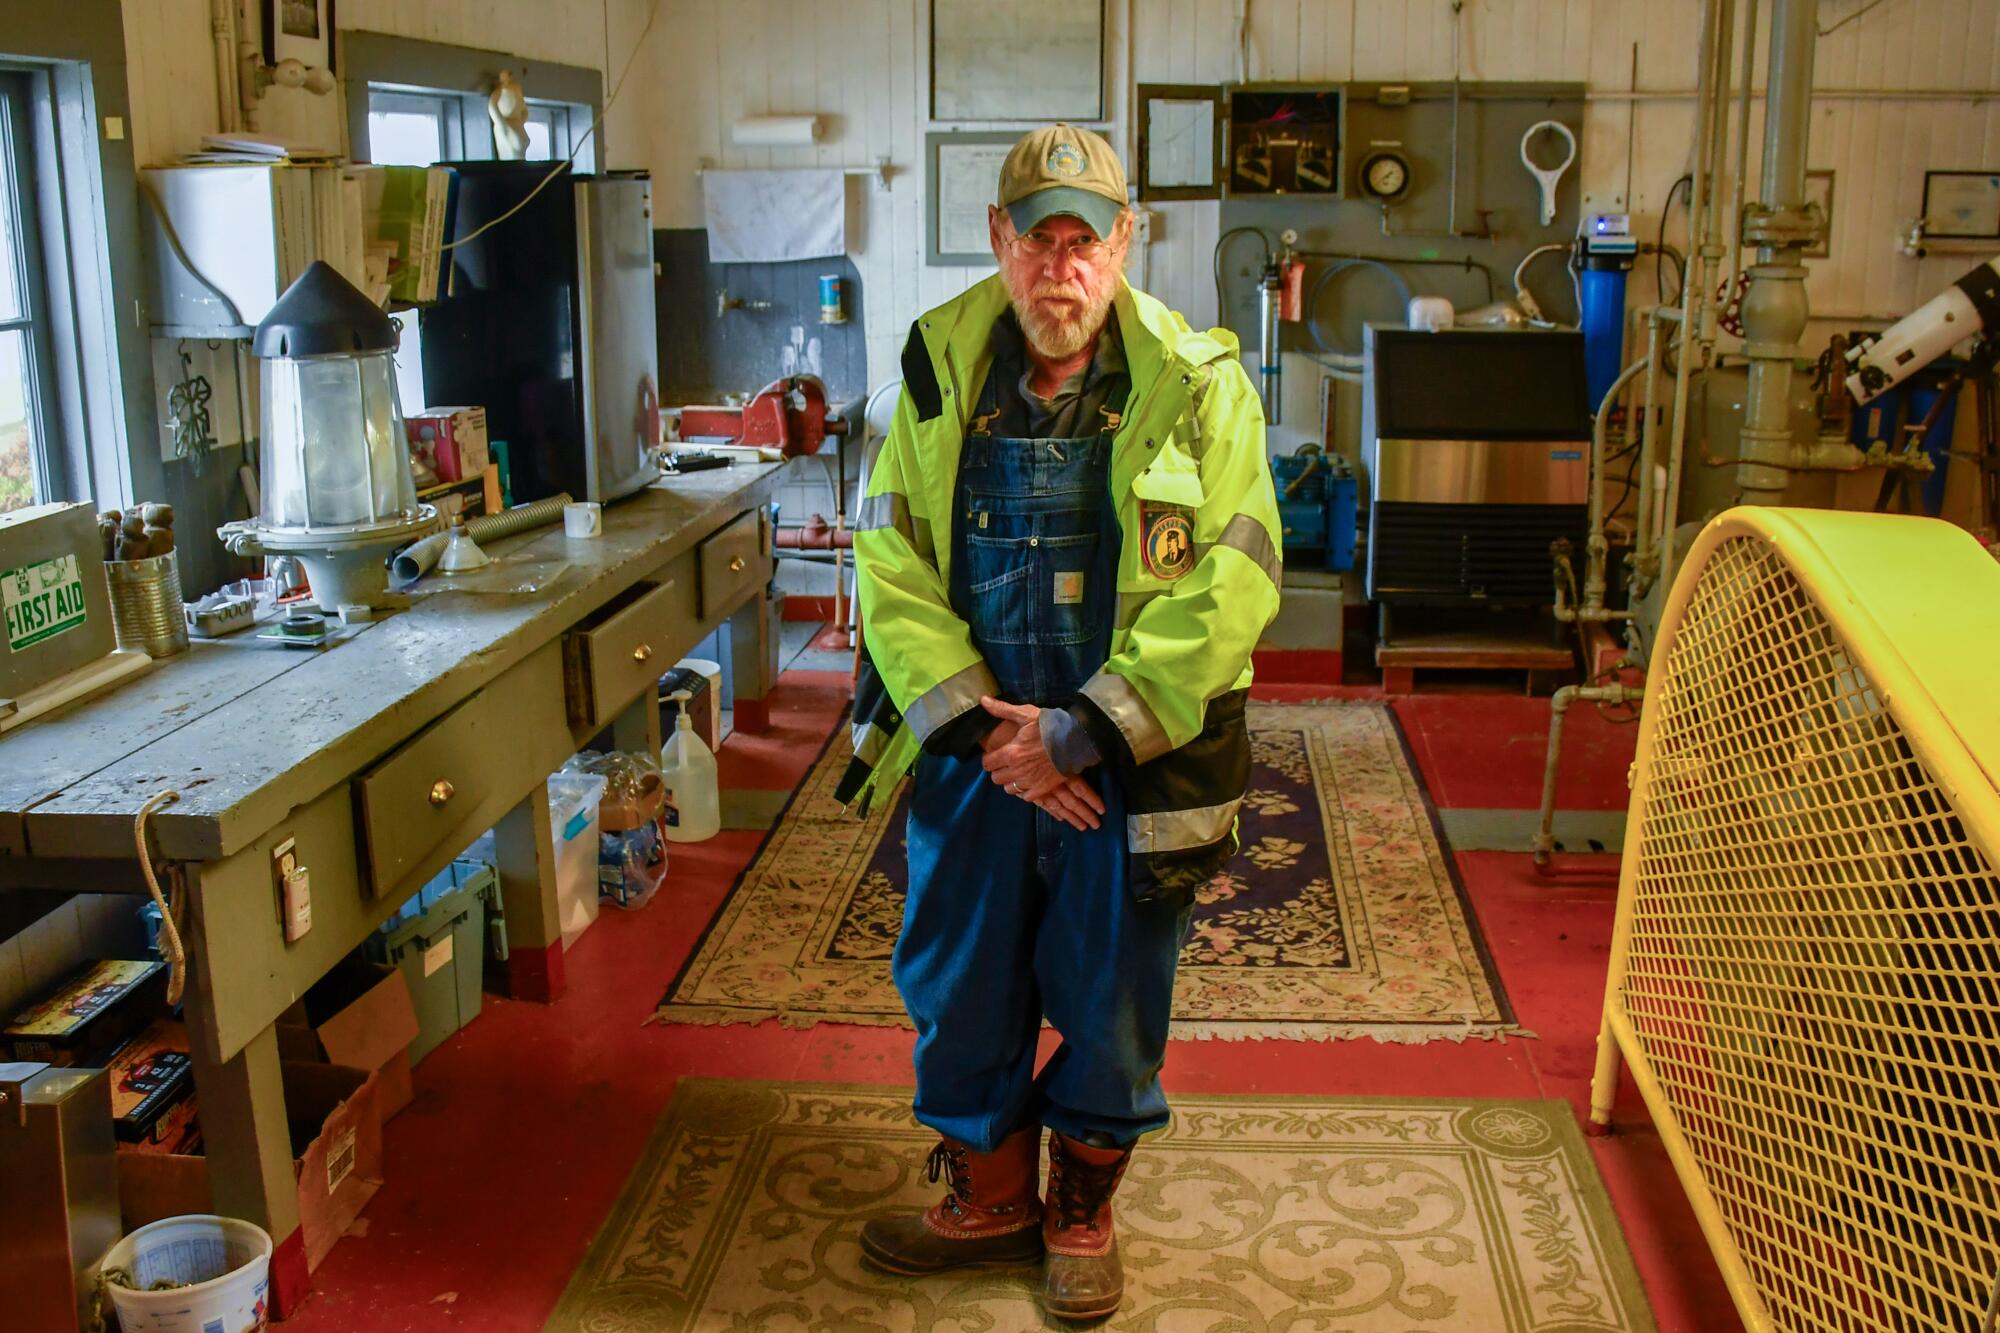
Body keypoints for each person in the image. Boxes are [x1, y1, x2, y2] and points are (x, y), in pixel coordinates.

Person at [841, 122, 1281, 1322]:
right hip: (980, 753)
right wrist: (996, 741)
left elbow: (1233, 579)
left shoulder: (1200, 386)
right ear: (998, 242)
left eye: (1085, 239)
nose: (1061, 266)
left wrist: (1080, 733)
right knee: (960, 976)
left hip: (1126, 758)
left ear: (1125, 241)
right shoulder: (932, 376)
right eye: (1038, 239)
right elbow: (886, 563)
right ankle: (991, 1201)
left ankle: (1080, 1209)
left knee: (1110, 994)